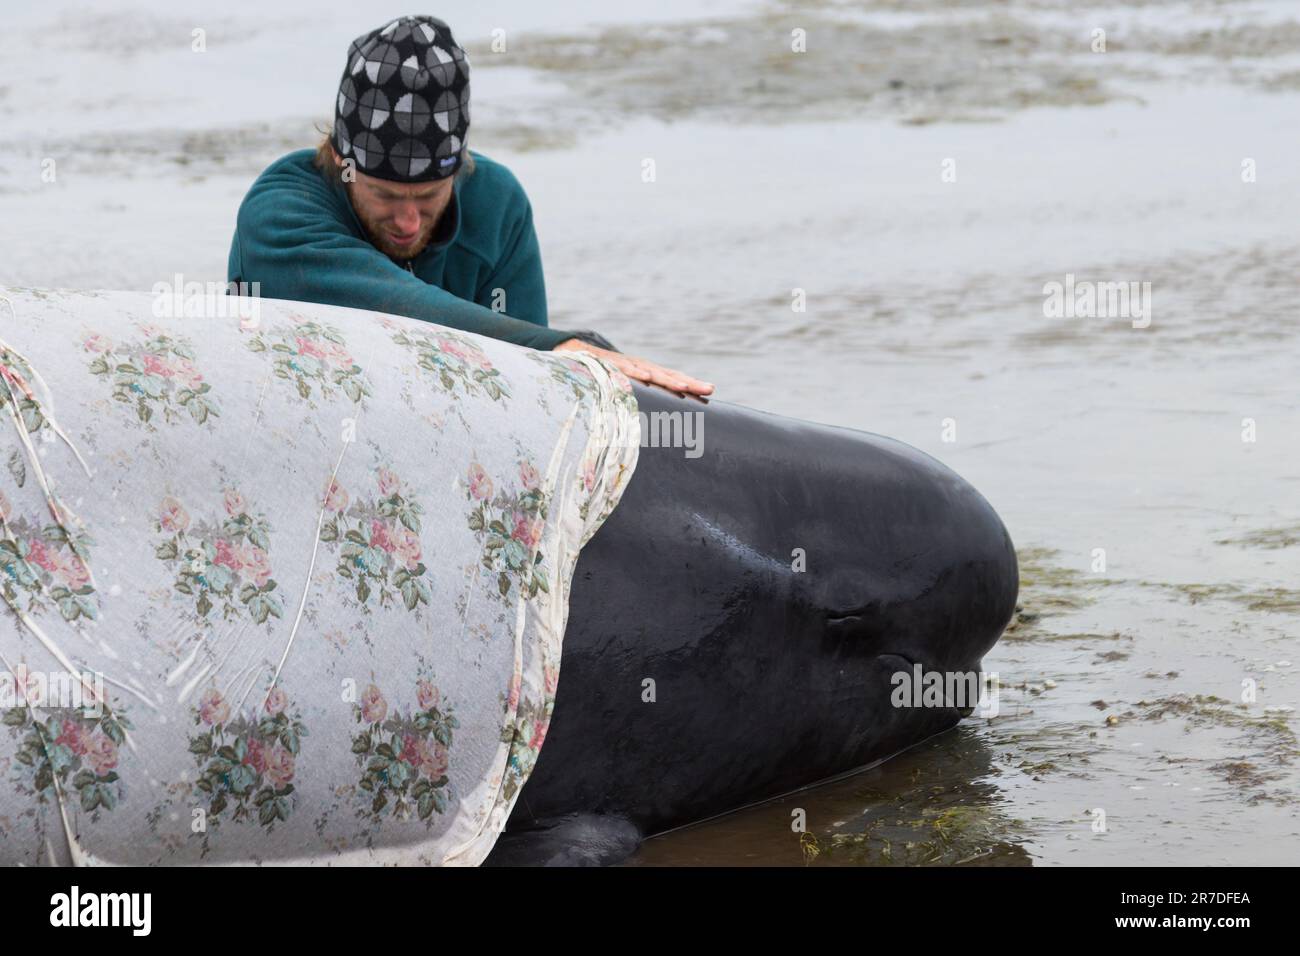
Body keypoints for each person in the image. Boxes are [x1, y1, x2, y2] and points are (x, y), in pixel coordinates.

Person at [227, 15, 712, 397]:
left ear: (459, 168)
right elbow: (390, 303)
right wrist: (549, 344)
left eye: (428, 195)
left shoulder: (497, 204)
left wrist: (570, 356)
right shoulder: (278, 212)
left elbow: (530, 384)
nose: (407, 220)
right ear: (339, 157)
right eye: (385, 195)